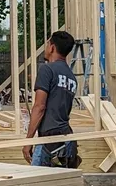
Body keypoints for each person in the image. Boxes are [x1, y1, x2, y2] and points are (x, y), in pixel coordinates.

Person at [23, 31, 80, 166]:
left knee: (35, 182)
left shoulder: (47, 70)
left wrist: (28, 141)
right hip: (66, 139)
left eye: (47, 44)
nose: (46, 47)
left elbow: (39, 107)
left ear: (52, 47)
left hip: (48, 141)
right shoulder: (71, 77)